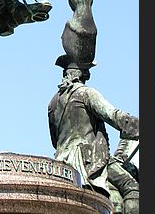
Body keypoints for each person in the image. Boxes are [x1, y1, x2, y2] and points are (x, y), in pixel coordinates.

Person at [48, 55, 139, 207]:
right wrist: (136, 126)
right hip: (90, 160)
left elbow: (54, 140)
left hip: (61, 163)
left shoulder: (53, 103)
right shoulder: (86, 93)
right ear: (82, 73)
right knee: (132, 187)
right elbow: (113, 115)